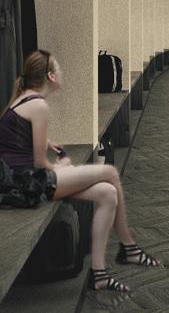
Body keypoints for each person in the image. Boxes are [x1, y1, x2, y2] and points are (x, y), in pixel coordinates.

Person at [0, 50, 160, 293]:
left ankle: (99, 273)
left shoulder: (24, 98)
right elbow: (40, 164)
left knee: (107, 194)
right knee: (110, 173)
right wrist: (61, 166)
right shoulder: (38, 104)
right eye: (59, 69)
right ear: (51, 76)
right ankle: (129, 248)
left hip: (20, 180)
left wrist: (48, 143)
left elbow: (17, 141)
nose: (63, 73)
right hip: (28, 184)